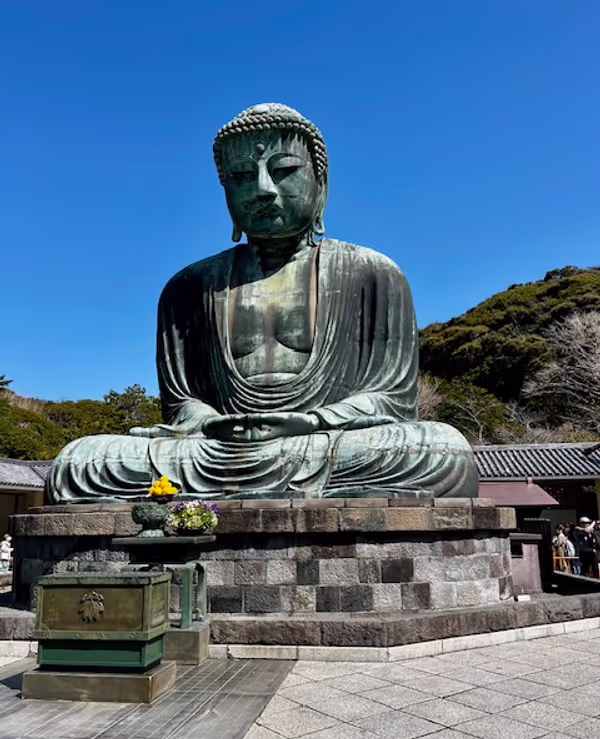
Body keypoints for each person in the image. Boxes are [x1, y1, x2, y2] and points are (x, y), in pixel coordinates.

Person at [46, 103, 478, 502]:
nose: (262, 189)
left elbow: (392, 400)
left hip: (328, 442)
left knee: (442, 452)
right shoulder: (188, 286)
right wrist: (208, 423)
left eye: (285, 170)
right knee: (79, 462)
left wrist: (312, 422)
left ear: (320, 183)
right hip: (217, 449)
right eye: (239, 177)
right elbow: (182, 403)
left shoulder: (372, 273)